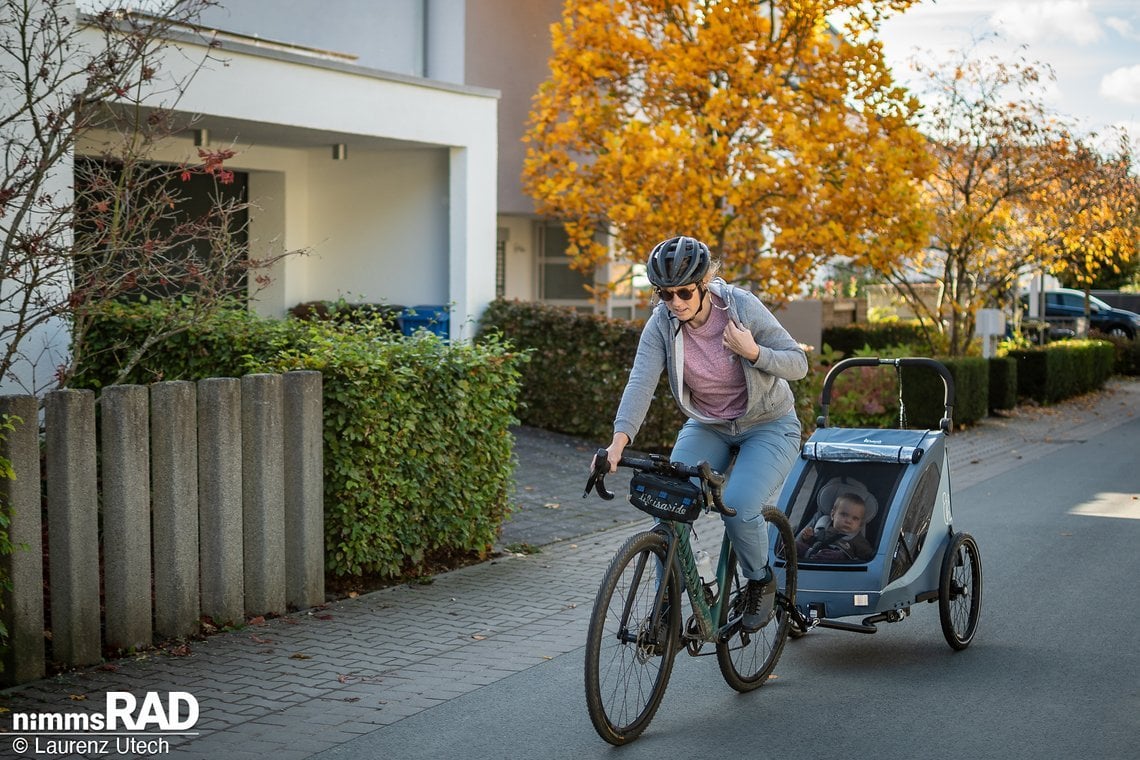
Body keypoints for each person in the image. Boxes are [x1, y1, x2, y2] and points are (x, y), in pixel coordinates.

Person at [595, 235, 807, 633]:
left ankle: (760, 581)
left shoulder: (740, 307)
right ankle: (669, 605)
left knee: (739, 505)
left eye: (683, 292)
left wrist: (753, 352)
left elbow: (798, 363)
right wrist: (618, 444)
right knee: (668, 502)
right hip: (709, 425)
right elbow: (641, 381)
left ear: (704, 284)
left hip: (769, 425)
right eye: (665, 294)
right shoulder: (662, 323)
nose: (675, 302)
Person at [795, 492, 874, 562]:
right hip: (811, 553)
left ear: (860, 524)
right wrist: (808, 538)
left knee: (837, 555)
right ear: (833, 515)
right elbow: (814, 543)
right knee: (793, 545)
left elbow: (868, 557)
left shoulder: (858, 540)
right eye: (844, 515)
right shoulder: (822, 526)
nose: (848, 521)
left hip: (836, 564)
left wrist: (850, 558)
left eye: (855, 518)